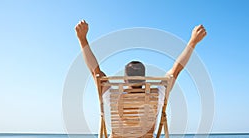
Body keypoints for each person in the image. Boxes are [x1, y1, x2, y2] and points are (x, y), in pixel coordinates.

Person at [75, 20, 206, 93]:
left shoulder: (112, 97)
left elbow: (95, 72)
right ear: (144, 80)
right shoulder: (155, 95)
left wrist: (82, 39)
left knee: (98, 76)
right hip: (145, 134)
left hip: (120, 135)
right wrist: (192, 41)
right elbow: (176, 70)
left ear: (125, 80)